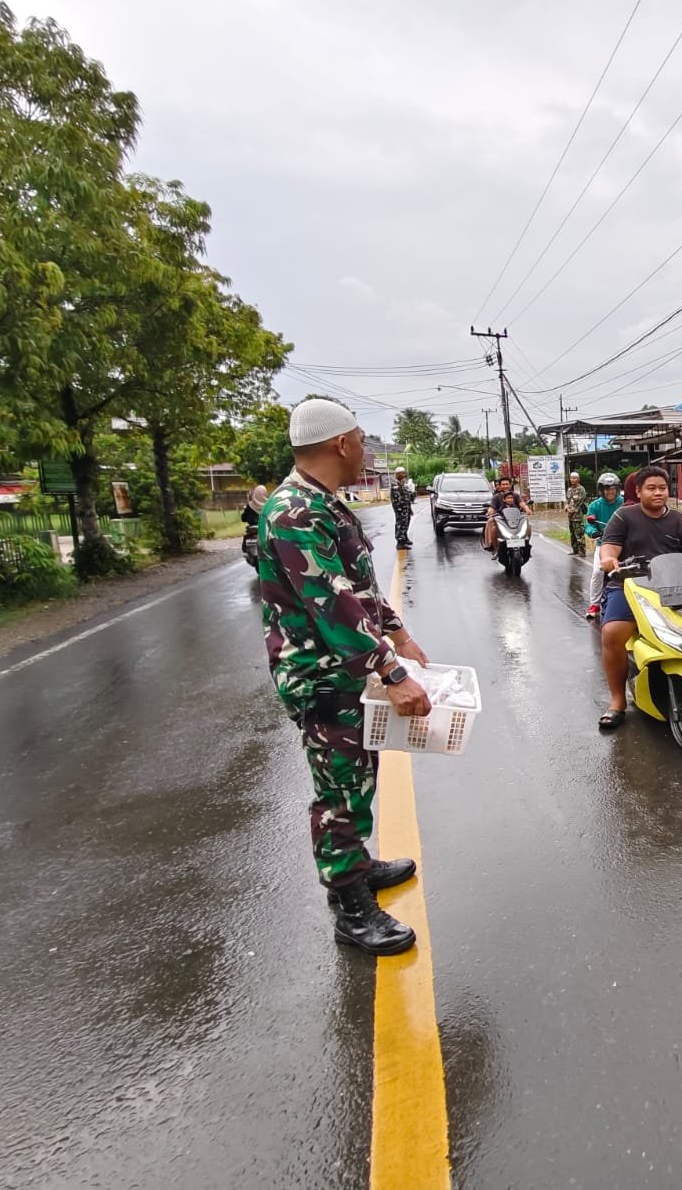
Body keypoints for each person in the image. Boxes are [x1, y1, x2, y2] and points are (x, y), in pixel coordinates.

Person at [259, 399, 432, 957]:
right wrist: (391, 670)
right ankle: (350, 907)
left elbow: (360, 588)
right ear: (340, 444)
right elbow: (331, 603)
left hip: (346, 673)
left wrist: (399, 633)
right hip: (320, 674)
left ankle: (357, 864)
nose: (365, 449)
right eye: (361, 439)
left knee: (357, 773)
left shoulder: (324, 505)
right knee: (336, 790)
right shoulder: (293, 512)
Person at [596, 465, 682, 730]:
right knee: (613, 633)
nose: (658, 493)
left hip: (672, 586)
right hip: (630, 585)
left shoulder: (678, 519)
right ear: (638, 491)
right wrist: (608, 559)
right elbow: (610, 546)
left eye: (662, 488)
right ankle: (617, 701)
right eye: (651, 488)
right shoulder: (623, 516)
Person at [583, 472, 625, 622]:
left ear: (617, 488)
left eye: (613, 488)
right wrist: (593, 532)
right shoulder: (595, 506)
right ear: (601, 490)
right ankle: (594, 604)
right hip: (604, 545)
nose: (610, 491)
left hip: (624, 544)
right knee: (597, 572)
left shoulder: (624, 503)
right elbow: (588, 524)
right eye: (606, 488)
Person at [483, 475, 530, 554]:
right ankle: (494, 547)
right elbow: (492, 507)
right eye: (503, 484)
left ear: (510, 485)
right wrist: (490, 511)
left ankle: (527, 546)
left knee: (527, 525)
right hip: (501, 519)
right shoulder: (496, 497)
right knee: (491, 522)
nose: (505, 486)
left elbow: (522, 503)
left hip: (515, 519)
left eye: (507, 484)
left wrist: (527, 509)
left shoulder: (516, 495)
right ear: (500, 486)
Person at [565, 471, 589, 557]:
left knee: (579, 534)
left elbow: (580, 502)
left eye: (575, 478)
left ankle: (582, 551)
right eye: (571, 478)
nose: (573, 479)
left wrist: (572, 510)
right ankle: (575, 550)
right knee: (572, 534)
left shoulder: (581, 489)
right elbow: (568, 500)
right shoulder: (569, 489)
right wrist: (567, 507)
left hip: (578, 516)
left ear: (578, 479)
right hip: (570, 516)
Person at [389, 466, 414, 549]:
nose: (404, 474)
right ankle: (400, 542)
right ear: (397, 474)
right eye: (402, 473)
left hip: (405, 508)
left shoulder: (402, 483)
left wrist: (409, 508)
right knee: (401, 524)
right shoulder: (395, 484)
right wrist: (401, 509)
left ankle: (405, 538)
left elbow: (407, 496)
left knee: (406, 523)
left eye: (404, 472)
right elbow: (398, 499)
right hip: (400, 509)